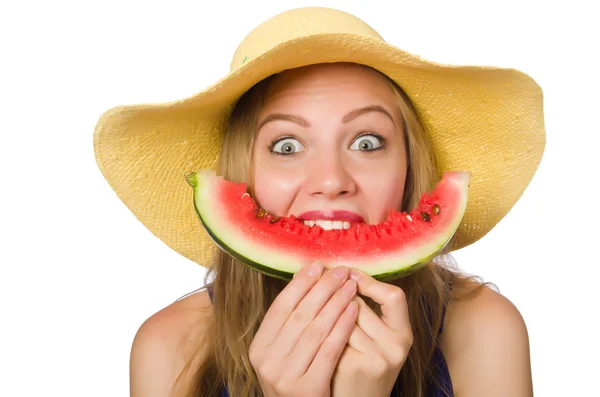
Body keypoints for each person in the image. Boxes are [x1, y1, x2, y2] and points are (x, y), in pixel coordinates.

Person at [93, 7, 545, 397]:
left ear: (409, 166)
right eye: (287, 146)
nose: (331, 182)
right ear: (244, 174)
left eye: (367, 142)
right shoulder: (170, 346)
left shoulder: (483, 329)